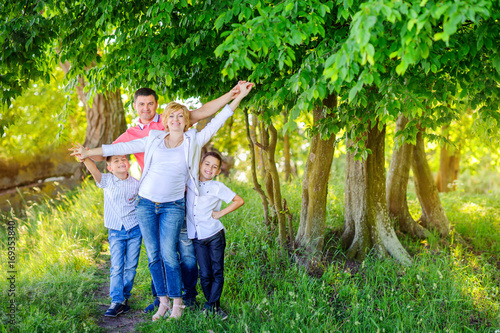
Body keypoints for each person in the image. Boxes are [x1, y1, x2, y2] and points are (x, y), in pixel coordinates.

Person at [70, 81, 253, 322]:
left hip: (173, 205)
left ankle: (178, 303)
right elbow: (123, 146)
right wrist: (88, 152)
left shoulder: (193, 140)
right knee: (154, 255)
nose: (176, 120)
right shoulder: (153, 137)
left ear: (186, 121)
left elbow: (218, 118)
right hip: (145, 204)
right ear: (165, 120)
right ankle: (163, 303)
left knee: (169, 254)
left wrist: (236, 96)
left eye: (180, 116)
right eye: (172, 116)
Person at [74, 154, 142, 318]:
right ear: (110, 168)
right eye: (116, 161)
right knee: (117, 267)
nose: (121, 162)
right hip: (116, 231)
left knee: (131, 267)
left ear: (128, 163)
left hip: (134, 229)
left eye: (123, 159)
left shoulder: (137, 184)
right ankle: (116, 300)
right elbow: (94, 169)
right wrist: (84, 157)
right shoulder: (107, 181)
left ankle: (124, 298)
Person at [186, 152, 244, 320]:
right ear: (200, 164)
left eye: (214, 167)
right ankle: (213, 305)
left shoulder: (218, 187)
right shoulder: (190, 182)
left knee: (217, 271)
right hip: (197, 236)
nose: (209, 169)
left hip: (214, 235)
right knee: (204, 273)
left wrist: (220, 213)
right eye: (207, 164)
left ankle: (212, 306)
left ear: (218, 171)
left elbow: (238, 200)